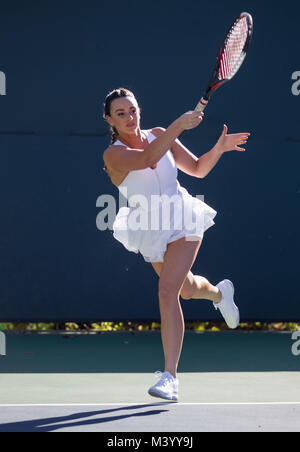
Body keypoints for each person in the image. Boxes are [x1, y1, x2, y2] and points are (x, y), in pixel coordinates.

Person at [102, 87, 250, 401]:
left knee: (167, 291)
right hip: (150, 225)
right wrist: (179, 125)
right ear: (110, 121)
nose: (130, 118)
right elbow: (146, 158)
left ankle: (170, 377)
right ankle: (221, 293)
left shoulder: (158, 133)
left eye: (133, 110)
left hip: (183, 215)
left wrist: (219, 148)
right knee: (186, 288)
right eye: (121, 114)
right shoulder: (112, 154)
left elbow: (197, 169)